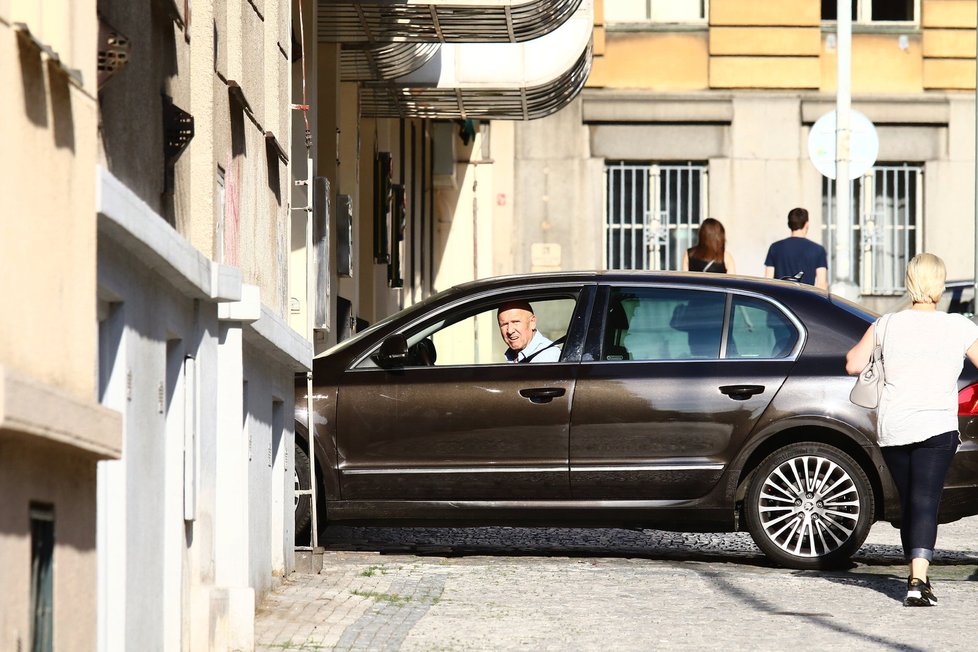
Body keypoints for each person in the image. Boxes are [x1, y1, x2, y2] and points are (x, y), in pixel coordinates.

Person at [845, 253, 978, 607]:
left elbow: (853, 363)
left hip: (896, 426)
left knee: (911, 502)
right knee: (924, 502)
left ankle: (918, 577)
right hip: (937, 425)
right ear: (940, 284)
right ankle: (917, 581)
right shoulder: (959, 326)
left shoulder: (886, 323)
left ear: (910, 282)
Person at [764, 207, 828, 289]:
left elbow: (767, 281)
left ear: (789, 224)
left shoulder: (775, 247)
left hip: (780, 299)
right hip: (804, 299)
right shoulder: (818, 250)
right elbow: (822, 284)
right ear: (807, 224)